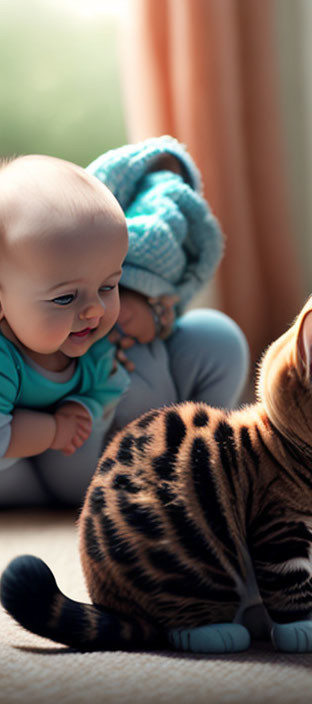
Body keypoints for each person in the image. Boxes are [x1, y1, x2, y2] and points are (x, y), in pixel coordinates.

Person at [87, 137, 249, 448]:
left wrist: (157, 317)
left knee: (221, 337)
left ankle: (209, 446)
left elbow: (171, 302)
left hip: (154, 377)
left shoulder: (155, 317)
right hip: (87, 415)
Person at [0, 156, 130, 507]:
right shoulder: (3, 360)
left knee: (78, 481)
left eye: (108, 286)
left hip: (57, 435)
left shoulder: (93, 342)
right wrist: (53, 431)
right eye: (66, 297)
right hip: (14, 442)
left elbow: (110, 387)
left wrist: (84, 408)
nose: (95, 310)